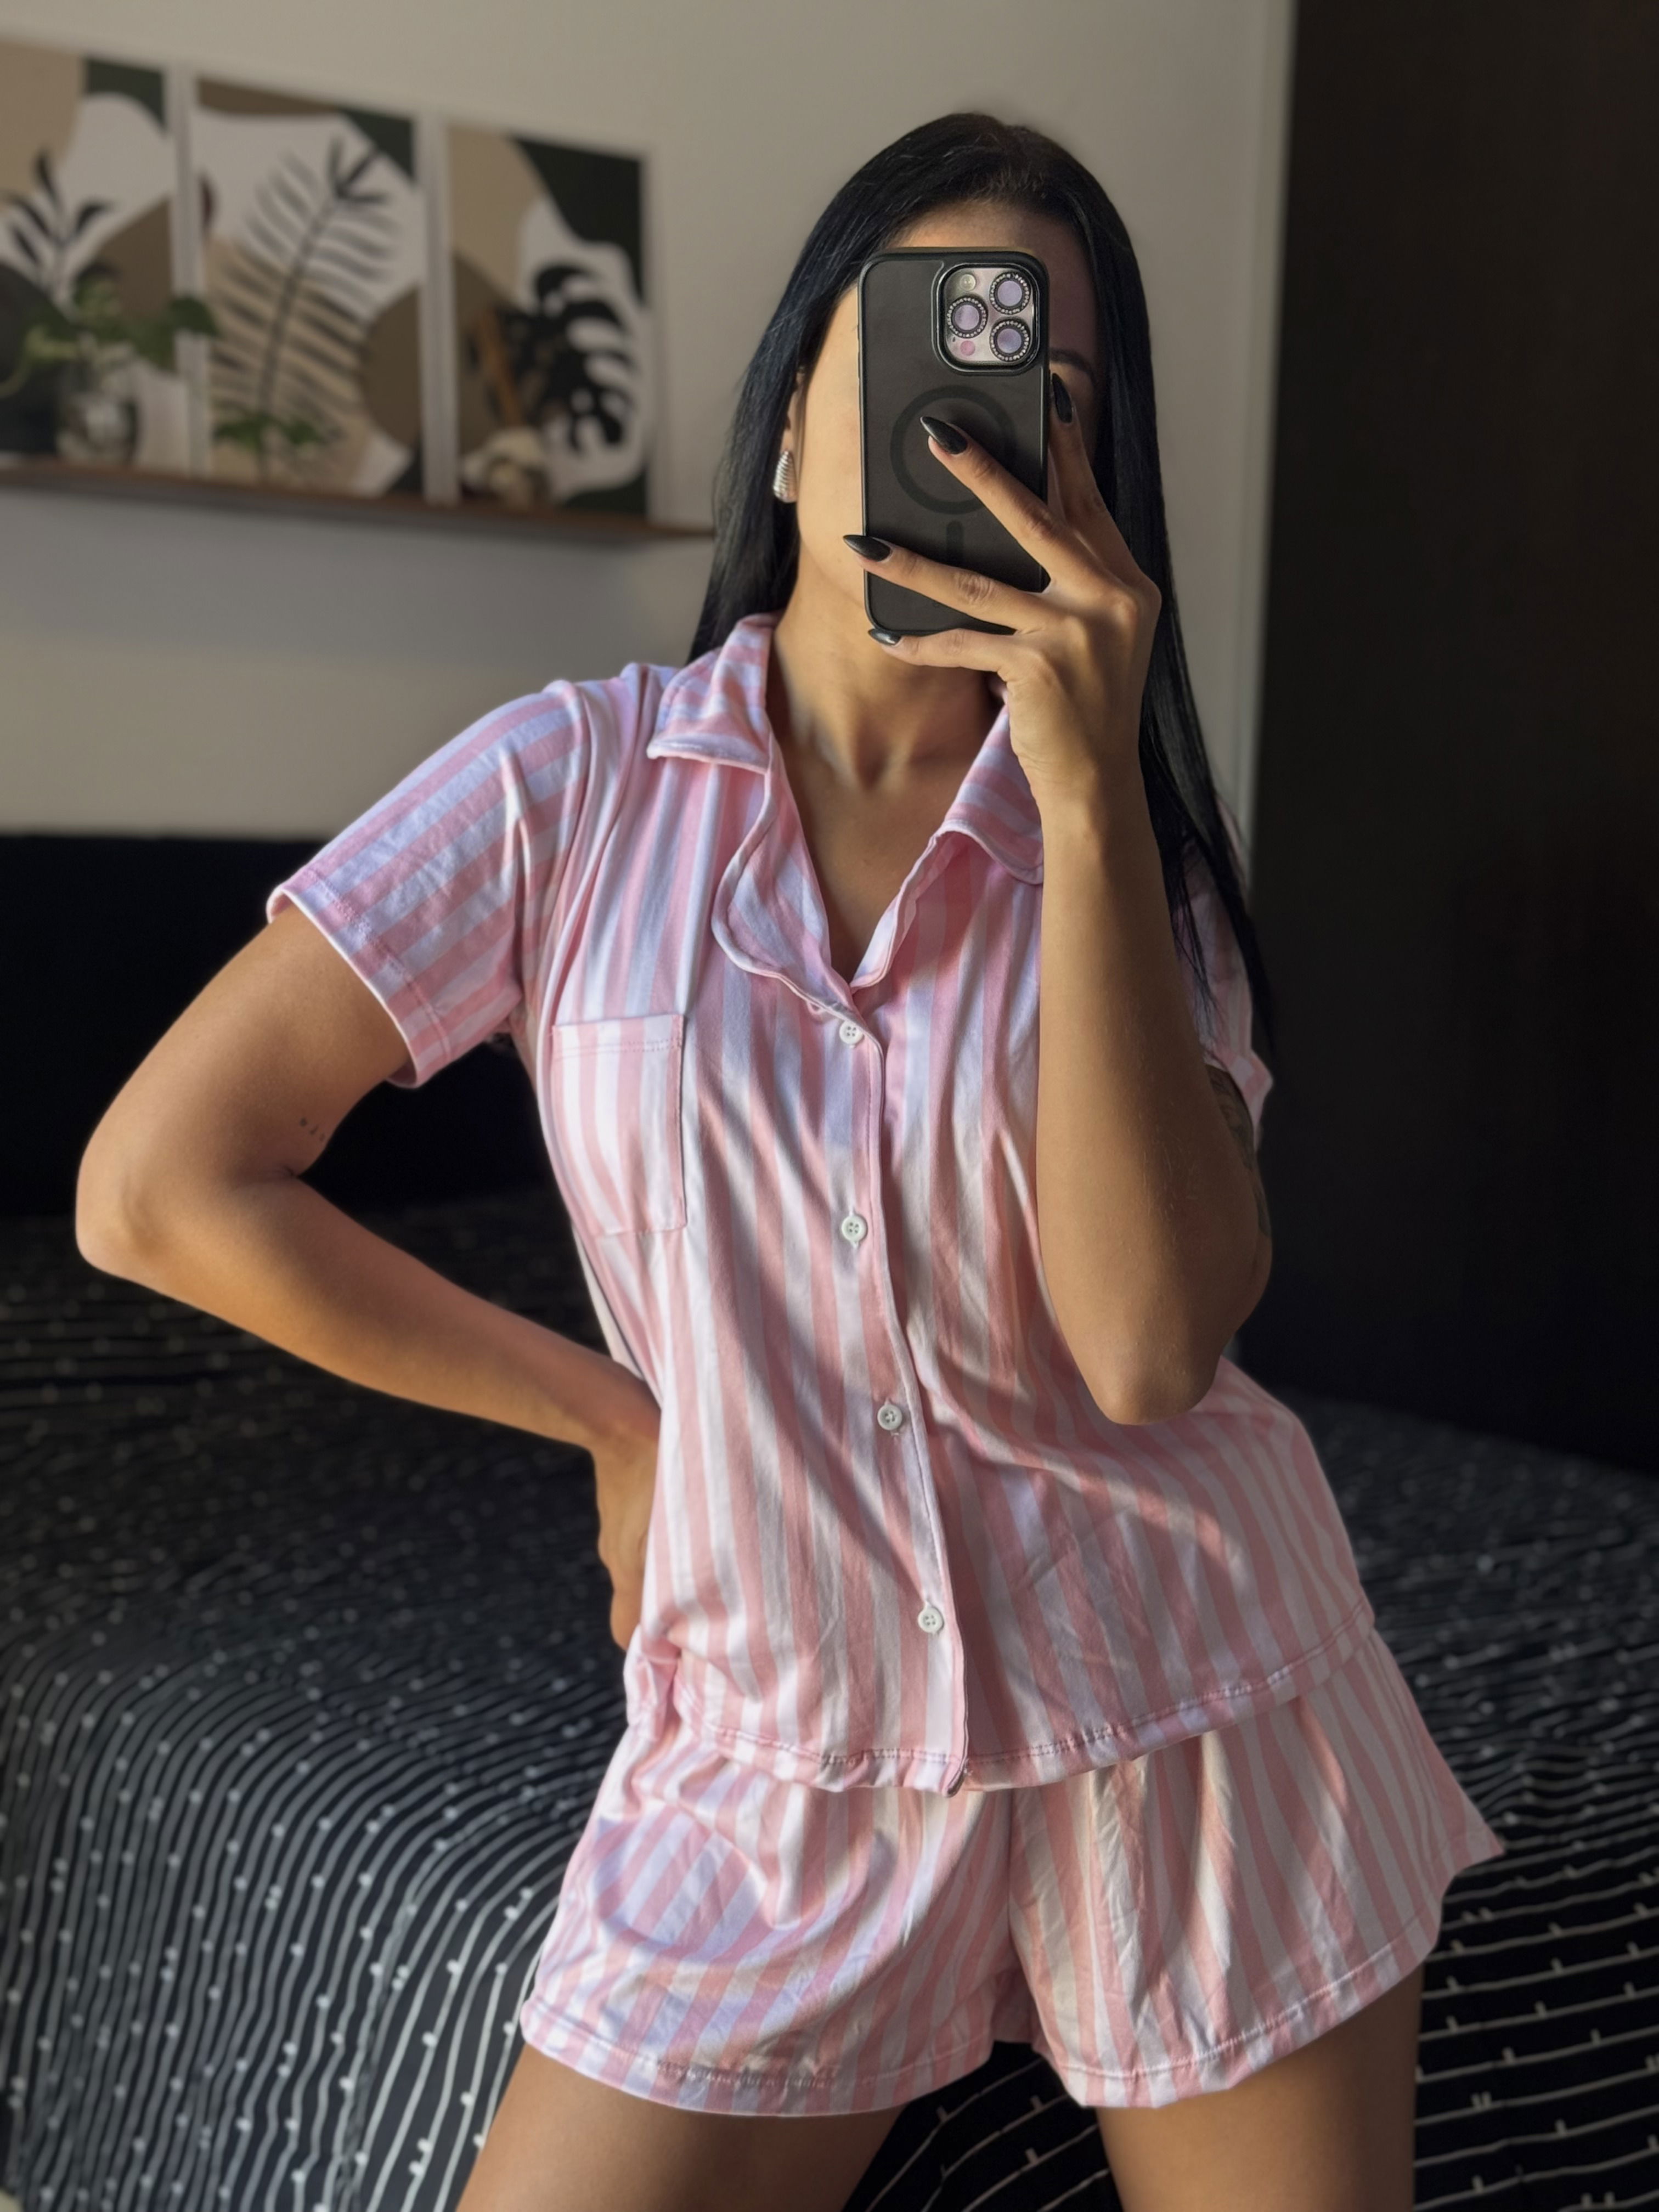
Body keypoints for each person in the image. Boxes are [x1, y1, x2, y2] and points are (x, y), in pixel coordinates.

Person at [76, 112, 1506, 2212]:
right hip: (778, 1746)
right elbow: (159, 1188)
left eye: (1043, 394)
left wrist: (1088, 797)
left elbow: (1145, 1354)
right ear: (785, 430)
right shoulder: (568, 792)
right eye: (916, 356)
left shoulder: (1134, 865)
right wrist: (609, 1419)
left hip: (1195, 1712)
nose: (971, 433)